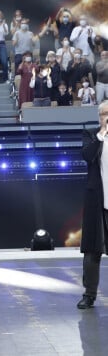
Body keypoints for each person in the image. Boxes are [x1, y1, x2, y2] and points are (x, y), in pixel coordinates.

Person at [77, 101, 108, 309]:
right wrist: (102, 134)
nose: (107, 117)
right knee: (92, 250)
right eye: (105, 114)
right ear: (99, 116)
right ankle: (89, 294)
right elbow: (87, 156)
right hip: (97, 200)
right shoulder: (91, 134)